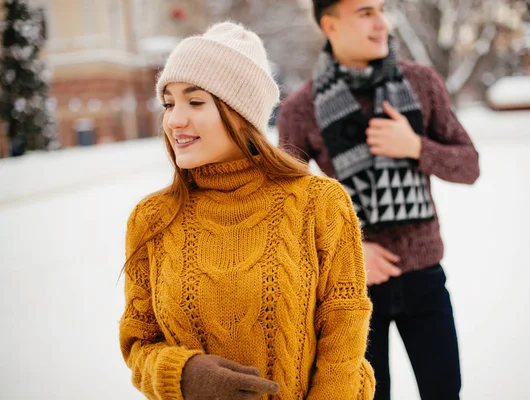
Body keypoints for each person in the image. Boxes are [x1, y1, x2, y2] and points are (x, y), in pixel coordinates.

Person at [119, 21, 375, 400]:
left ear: (239, 112)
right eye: (169, 103)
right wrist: (184, 374)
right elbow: (139, 343)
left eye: (195, 101)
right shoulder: (152, 219)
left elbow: (344, 334)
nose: (174, 120)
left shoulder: (318, 203)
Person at [277, 1, 480, 399]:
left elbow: (469, 165)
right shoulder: (300, 109)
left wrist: (416, 146)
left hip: (425, 278)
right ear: (331, 25)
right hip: (353, 289)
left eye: (382, 10)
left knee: (444, 391)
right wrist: (352, 250)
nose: (382, 22)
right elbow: (286, 210)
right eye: (366, 12)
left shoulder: (421, 83)